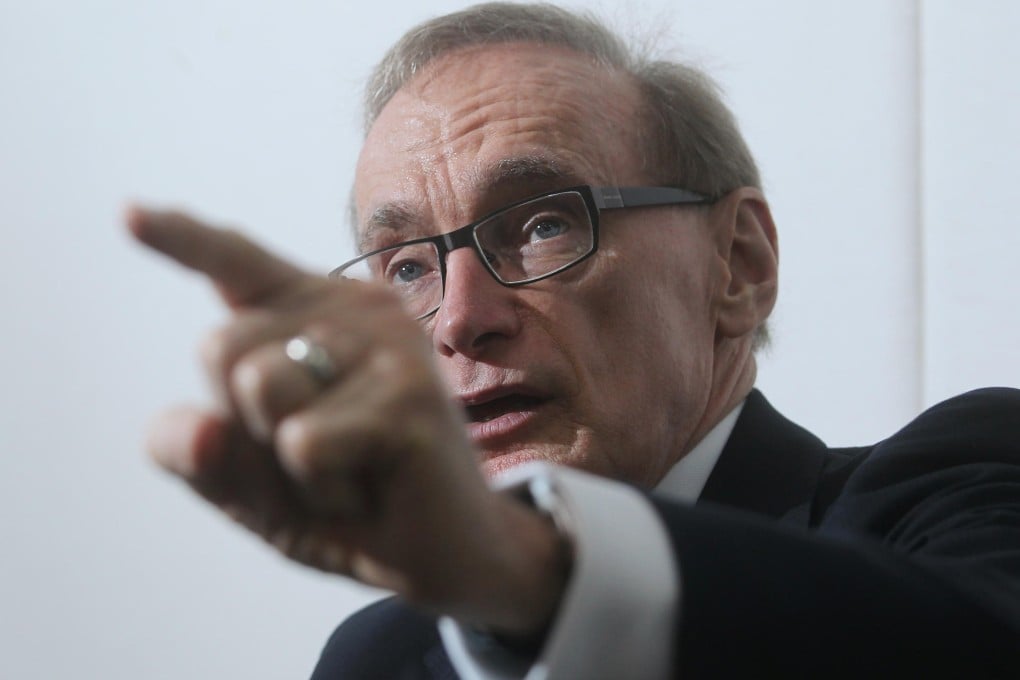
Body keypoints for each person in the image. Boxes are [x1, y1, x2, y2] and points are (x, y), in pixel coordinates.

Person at [128, 3, 1020, 678]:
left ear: (737, 263)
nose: (457, 317)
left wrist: (528, 570)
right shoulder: (381, 658)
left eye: (544, 223)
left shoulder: (954, 489)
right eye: (406, 268)